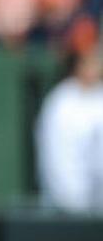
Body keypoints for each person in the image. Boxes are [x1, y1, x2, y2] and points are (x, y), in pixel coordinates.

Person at [35, 33, 103, 212]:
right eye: (88, 60)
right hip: (66, 210)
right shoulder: (61, 102)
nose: (95, 65)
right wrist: (74, 203)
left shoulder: (99, 96)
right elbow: (58, 163)